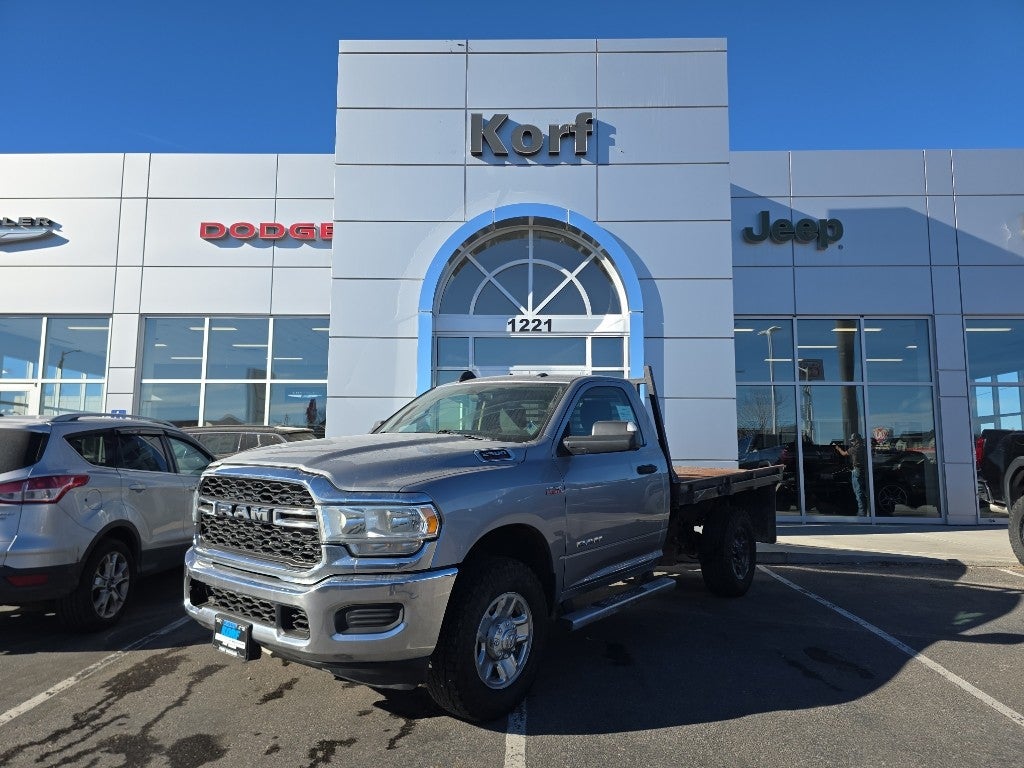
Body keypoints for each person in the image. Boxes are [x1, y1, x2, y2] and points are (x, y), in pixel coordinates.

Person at [835, 432, 867, 515]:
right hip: (864, 471)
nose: (851, 442)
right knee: (864, 491)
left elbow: (843, 454)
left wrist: (838, 448)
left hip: (857, 470)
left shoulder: (853, 449)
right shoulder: (864, 448)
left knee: (858, 491)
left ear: (856, 440)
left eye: (852, 441)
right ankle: (867, 511)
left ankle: (862, 512)